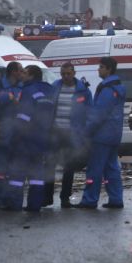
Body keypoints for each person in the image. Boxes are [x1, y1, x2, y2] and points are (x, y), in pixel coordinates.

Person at [76, 57, 126, 209]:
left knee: (94, 170)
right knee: (111, 169)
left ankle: (89, 200)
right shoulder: (117, 87)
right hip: (114, 134)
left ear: (108, 69)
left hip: (102, 136)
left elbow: (98, 115)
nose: (98, 70)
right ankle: (116, 199)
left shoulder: (107, 89)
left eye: (101, 67)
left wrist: (86, 132)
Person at [5, 65, 55, 211]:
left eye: (25, 73)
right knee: (37, 177)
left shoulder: (27, 90)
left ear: (32, 76)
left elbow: (23, 118)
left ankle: (15, 205)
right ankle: (35, 205)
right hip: (42, 140)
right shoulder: (50, 91)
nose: (22, 75)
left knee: (17, 176)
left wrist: (15, 137)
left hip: (26, 140)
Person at [45, 62, 92, 208]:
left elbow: (89, 112)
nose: (65, 77)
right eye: (63, 74)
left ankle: (65, 198)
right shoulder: (54, 87)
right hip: (55, 132)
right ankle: (47, 198)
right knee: (49, 165)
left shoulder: (83, 91)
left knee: (69, 167)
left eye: (68, 74)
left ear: (74, 73)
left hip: (72, 134)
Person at [0, 61, 23, 209]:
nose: (22, 73)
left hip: (18, 136)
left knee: (16, 171)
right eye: (20, 70)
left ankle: (14, 201)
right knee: (0, 171)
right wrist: (8, 97)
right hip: (3, 135)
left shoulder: (22, 87)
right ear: (13, 72)